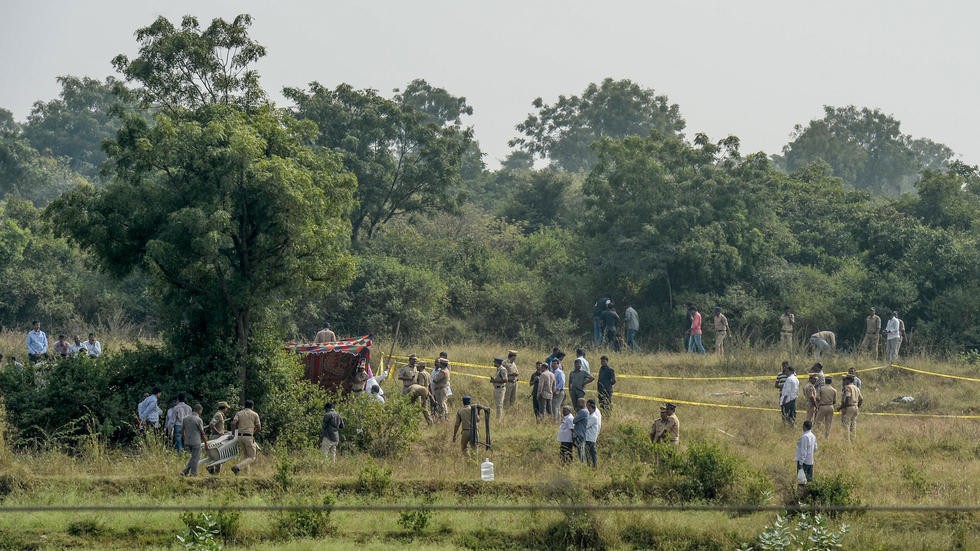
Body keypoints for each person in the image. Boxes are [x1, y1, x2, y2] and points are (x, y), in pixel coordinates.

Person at [231, 399, 261, 475]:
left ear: (245, 406)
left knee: (246, 457)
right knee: (252, 457)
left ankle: (246, 474)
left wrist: (233, 434)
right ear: (252, 406)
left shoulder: (239, 413)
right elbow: (259, 427)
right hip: (248, 437)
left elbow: (233, 423)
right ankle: (237, 467)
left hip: (240, 437)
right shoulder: (254, 414)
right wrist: (253, 433)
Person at [180, 404, 207, 477]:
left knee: (193, 457)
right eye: (201, 411)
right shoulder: (198, 419)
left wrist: (184, 439)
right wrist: (206, 443)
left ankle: (185, 472)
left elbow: (182, 431)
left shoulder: (185, 418)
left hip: (187, 441)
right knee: (196, 458)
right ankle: (193, 473)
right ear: (199, 410)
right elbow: (202, 432)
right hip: (196, 441)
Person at [839, 374, 864, 441]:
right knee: (853, 424)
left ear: (848, 380)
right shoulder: (856, 388)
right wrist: (857, 406)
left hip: (849, 407)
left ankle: (847, 441)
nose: (845, 381)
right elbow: (861, 399)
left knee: (846, 424)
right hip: (855, 407)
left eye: (846, 379)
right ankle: (853, 440)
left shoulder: (848, 387)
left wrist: (841, 407)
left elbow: (847, 397)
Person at [795, 420, 817, 484]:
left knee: (801, 482)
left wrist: (801, 464)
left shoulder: (804, 437)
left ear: (804, 427)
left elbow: (803, 451)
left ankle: (801, 494)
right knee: (809, 481)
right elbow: (815, 448)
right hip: (810, 461)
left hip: (804, 462)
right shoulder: (813, 436)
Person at [584, 399, 602, 468]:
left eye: (588, 407)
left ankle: (594, 466)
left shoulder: (594, 416)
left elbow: (586, 425)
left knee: (592, 452)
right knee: (588, 452)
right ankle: (589, 465)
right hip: (588, 436)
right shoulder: (590, 414)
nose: (587, 409)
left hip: (591, 437)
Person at [572, 398, 589, 462]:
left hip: (580, 433)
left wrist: (577, 413)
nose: (577, 404)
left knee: (581, 450)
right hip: (582, 432)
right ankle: (582, 462)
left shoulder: (582, 411)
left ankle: (582, 463)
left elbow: (574, 420)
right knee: (581, 450)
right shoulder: (585, 411)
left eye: (579, 403)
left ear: (583, 403)